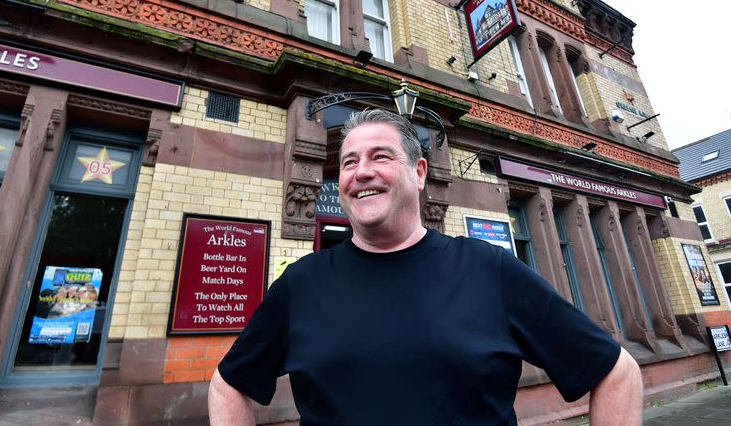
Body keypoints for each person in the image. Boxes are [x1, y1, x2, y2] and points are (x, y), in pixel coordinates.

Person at [208, 109, 643, 425]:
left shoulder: (487, 269)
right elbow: (229, 384)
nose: (361, 172)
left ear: (419, 172)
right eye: (348, 162)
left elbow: (615, 371)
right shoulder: (301, 284)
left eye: (380, 157)